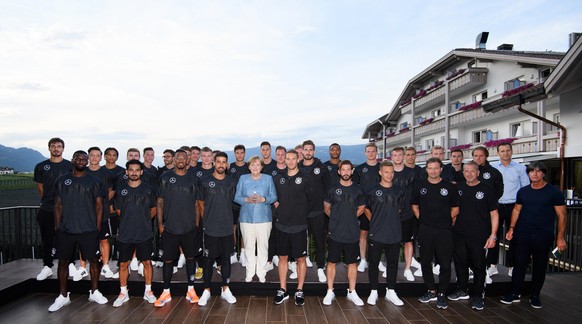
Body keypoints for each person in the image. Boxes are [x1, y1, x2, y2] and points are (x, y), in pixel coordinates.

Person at [500, 161, 567, 309]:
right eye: (531, 171)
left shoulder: (554, 192)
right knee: (519, 264)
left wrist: (560, 237)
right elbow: (516, 210)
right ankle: (515, 292)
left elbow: (562, 216)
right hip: (522, 233)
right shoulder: (523, 191)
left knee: (540, 265)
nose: (534, 174)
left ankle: (535, 295)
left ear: (543, 173)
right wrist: (511, 228)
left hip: (543, 235)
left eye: (538, 171)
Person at [48, 150, 107, 312]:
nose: (81, 161)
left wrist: (97, 228)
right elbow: (58, 205)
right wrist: (57, 227)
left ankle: (94, 291)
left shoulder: (94, 181)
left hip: (88, 229)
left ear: (87, 162)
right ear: (73, 160)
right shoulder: (62, 180)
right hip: (66, 229)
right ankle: (63, 296)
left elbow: (99, 206)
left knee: (94, 261)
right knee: (63, 262)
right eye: (78, 158)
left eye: (84, 159)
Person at [449, 161, 499, 311]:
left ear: (478, 173)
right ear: (463, 173)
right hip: (458, 234)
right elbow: (453, 211)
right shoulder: (457, 188)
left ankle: (478, 296)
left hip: (479, 235)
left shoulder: (487, 190)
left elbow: (494, 214)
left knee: (478, 266)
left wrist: (493, 235)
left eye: (472, 171)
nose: (469, 173)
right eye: (466, 171)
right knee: (460, 263)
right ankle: (462, 289)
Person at [154, 150, 200, 307]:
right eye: (178, 157)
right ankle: (166, 291)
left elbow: (196, 203)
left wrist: (196, 224)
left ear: (188, 160)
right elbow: (160, 202)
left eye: (183, 157)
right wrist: (160, 225)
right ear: (174, 159)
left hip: (189, 227)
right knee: (167, 260)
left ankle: (191, 290)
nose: (180, 160)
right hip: (170, 227)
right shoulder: (165, 177)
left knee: (190, 258)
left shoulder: (193, 178)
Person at [412, 157, 459, 310]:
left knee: (445, 263)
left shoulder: (449, 187)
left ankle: (441, 294)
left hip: (444, 230)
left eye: (436, 168)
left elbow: (455, 208)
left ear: (441, 169)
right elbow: (415, 205)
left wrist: (445, 220)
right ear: (426, 170)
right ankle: (431, 290)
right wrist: (423, 220)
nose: (433, 171)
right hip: (425, 229)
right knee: (425, 262)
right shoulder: (419, 185)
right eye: (430, 168)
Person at [112, 160, 158, 307]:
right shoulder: (120, 190)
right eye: (131, 170)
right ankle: (123, 292)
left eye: (137, 170)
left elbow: (153, 209)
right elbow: (118, 210)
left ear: (141, 172)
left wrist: (142, 220)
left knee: (146, 262)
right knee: (123, 263)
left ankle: (148, 291)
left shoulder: (149, 189)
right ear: (126, 172)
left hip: (144, 233)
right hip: (125, 233)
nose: (134, 172)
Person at [273, 149, 315, 306]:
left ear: (298, 159)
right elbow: (274, 198)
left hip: (299, 226)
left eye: (293, 158)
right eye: (287, 158)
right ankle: (283, 289)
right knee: (283, 258)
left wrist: (301, 214)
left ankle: (299, 290)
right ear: (284, 160)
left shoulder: (306, 178)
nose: (290, 161)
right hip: (282, 225)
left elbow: (311, 200)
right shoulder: (279, 178)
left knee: (301, 259)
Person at [322, 160, 366, 306]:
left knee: (352, 263)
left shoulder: (358, 190)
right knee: (331, 262)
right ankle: (330, 291)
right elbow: (327, 207)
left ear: (352, 171)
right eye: (343, 170)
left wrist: (351, 218)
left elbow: (361, 208)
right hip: (335, 232)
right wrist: (336, 219)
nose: (346, 172)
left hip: (352, 232)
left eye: (349, 170)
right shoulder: (332, 188)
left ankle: (352, 292)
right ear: (339, 171)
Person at [197, 152, 238, 306]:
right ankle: (206, 290)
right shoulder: (205, 181)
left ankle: (225, 289)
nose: (221, 164)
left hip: (227, 227)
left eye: (223, 162)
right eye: (218, 161)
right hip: (210, 228)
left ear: (226, 164)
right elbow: (200, 203)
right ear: (214, 163)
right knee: (208, 260)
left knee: (226, 259)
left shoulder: (231, 182)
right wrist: (207, 220)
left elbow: (235, 203)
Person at [365, 161, 405, 306]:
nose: (389, 175)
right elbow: (366, 208)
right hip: (376, 233)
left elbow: (399, 210)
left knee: (393, 264)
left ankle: (391, 291)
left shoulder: (399, 191)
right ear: (380, 173)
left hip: (394, 233)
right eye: (386, 172)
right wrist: (375, 221)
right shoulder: (372, 191)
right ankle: (374, 291)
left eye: (392, 172)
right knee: (374, 263)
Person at [34, 137, 74, 281]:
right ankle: (47, 266)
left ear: (63, 148)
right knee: (47, 238)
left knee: (68, 238)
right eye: (53, 146)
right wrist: (49, 200)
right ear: (49, 148)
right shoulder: (41, 166)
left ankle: (70, 264)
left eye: (59, 146)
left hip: (67, 209)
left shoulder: (70, 166)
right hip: (47, 208)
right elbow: (40, 187)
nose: (56, 148)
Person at [234, 155, 277, 282]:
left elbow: (274, 196)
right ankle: (250, 271)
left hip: (264, 218)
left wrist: (264, 199)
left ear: (262, 167)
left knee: (263, 246)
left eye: (258, 165)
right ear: (249, 166)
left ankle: (261, 272)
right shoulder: (243, 178)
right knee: (248, 247)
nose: (255, 167)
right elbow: (236, 197)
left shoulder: (268, 179)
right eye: (253, 165)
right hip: (246, 218)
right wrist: (246, 199)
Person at [490, 142, 529, 277]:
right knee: (494, 236)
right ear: (498, 153)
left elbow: (525, 188)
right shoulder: (492, 168)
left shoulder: (520, 168)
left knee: (515, 239)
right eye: (502, 151)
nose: (505, 153)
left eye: (507, 150)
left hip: (514, 207)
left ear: (511, 152)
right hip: (496, 206)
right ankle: (492, 265)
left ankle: (512, 266)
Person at [298, 140, 329, 282]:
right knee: (299, 241)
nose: (308, 152)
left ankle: (321, 268)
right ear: (302, 151)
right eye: (306, 149)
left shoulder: (321, 167)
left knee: (319, 241)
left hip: (317, 212)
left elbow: (328, 189)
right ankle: (300, 267)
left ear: (314, 152)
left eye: (311, 149)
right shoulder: (296, 167)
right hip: (301, 213)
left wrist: (326, 206)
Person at [85, 146, 116, 279]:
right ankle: (82, 267)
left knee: (104, 240)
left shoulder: (106, 174)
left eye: (97, 155)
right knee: (84, 239)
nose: (94, 158)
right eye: (92, 155)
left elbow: (111, 191)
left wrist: (99, 204)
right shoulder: (82, 172)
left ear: (101, 157)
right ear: (88, 157)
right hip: (85, 213)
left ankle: (106, 266)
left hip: (102, 213)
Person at [391, 147, 421, 281]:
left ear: (403, 156)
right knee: (391, 243)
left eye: (399, 155)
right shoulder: (388, 172)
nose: (397, 157)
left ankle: (408, 268)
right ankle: (392, 267)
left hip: (408, 214)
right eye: (395, 155)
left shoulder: (412, 173)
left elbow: (417, 194)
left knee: (408, 242)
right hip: (390, 215)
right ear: (391, 157)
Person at [353, 143, 380, 272]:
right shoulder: (359, 169)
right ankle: (363, 259)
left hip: (380, 206)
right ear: (365, 153)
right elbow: (355, 188)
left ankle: (377, 260)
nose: (370, 153)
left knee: (379, 234)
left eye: (373, 151)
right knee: (363, 233)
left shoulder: (382, 168)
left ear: (377, 152)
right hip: (364, 206)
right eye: (368, 151)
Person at [229, 144, 250, 265]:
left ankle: (243, 253)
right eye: (237, 152)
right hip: (232, 203)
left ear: (245, 153)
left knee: (244, 229)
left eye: (241, 152)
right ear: (234, 153)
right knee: (233, 228)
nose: (239, 155)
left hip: (245, 203)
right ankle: (233, 253)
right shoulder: (230, 167)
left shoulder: (249, 167)